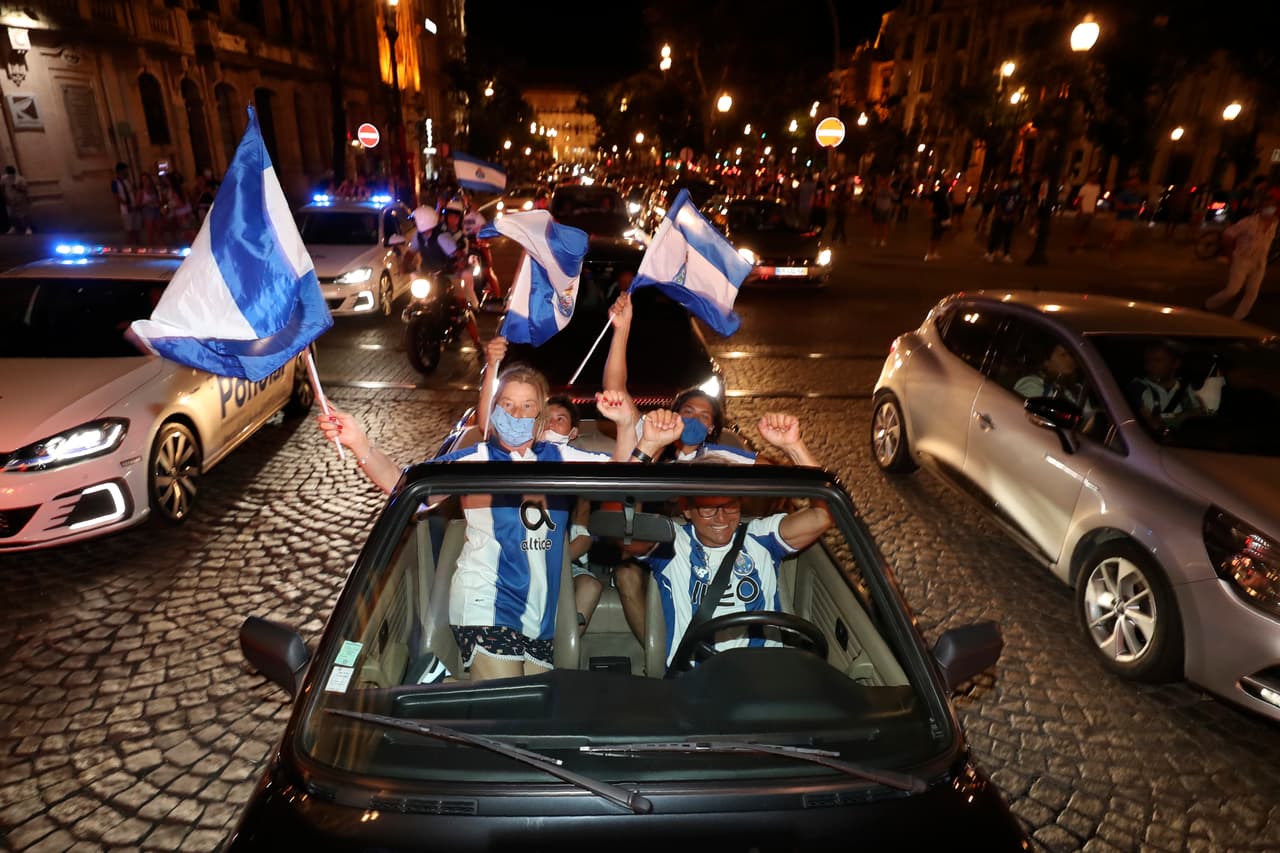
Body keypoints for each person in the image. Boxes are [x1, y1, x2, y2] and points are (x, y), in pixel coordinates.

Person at [318, 356, 683, 681]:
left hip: (539, 616)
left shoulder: (559, 457)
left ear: (540, 416)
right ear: (493, 410)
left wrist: (638, 437)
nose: (517, 415)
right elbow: (409, 490)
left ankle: (445, 690)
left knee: (525, 716)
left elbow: (617, 482)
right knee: (512, 709)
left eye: (528, 406)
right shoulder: (475, 459)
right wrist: (361, 445)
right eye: (507, 404)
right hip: (484, 603)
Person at [644, 415, 831, 668]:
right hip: (696, 680)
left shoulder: (761, 536)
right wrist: (646, 445)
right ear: (686, 509)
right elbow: (617, 522)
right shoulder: (671, 543)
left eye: (730, 505)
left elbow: (824, 515)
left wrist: (794, 447)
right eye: (708, 508)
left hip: (766, 675)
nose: (721, 517)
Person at [1204, 203, 1279, 320]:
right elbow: (1228, 235)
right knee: (1232, 290)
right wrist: (1230, 256)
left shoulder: (1274, 223)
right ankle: (1208, 305)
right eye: (1268, 207)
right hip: (1242, 260)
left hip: (1259, 262)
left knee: (1252, 292)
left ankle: (1239, 318)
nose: (1271, 210)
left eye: (1273, 208)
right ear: (1260, 208)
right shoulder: (1248, 222)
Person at [1127, 341, 1203, 432]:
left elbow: (1200, 414)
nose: (1151, 366)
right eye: (1148, 360)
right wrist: (1184, 415)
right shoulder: (1138, 387)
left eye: (1158, 360)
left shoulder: (1186, 387)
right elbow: (1153, 424)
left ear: (1176, 364)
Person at [1014, 342, 1084, 404]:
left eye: (1071, 356)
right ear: (1046, 363)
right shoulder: (1031, 384)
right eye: (1063, 355)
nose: (1070, 359)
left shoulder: (1079, 392)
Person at [986, 178, 1022, 263]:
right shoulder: (1002, 193)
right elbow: (998, 205)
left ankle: (1006, 254)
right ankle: (990, 252)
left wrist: (1012, 216)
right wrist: (1002, 215)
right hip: (1000, 217)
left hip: (1009, 218)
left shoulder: (1017, 195)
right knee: (995, 235)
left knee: (1007, 237)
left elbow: (1017, 206)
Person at [1107, 175, 1143, 250]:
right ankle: (1112, 254)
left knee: (1123, 240)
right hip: (1121, 218)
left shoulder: (1137, 195)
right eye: (1134, 181)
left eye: (1138, 181)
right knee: (1118, 239)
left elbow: (1137, 206)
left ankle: (1114, 254)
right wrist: (1131, 207)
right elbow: (1117, 206)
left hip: (1130, 218)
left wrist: (1137, 210)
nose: (1136, 183)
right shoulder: (1123, 193)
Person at [111, 162, 141, 244]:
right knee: (129, 230)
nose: (127, 172)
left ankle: (138, 246)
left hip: (134, 207)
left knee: (136, 229)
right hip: (126, 209)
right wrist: (126, 204)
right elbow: (116, 196)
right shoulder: (115, 182)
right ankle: (130, 247)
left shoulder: (128, 181)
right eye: (125, 170)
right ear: (120, 171)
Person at [1071, 172, 1102, 251]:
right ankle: (1075, 243)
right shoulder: (1084, 187)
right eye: (1093, 177)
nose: (1094, 179)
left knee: (1086, 228)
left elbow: (1096, 199)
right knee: (1078, 228)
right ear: (1089, 178)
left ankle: (1082, 243)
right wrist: (1080, 209)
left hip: (1091, 210)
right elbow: (1080, 199)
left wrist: (1096, 208)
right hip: (1084, 210)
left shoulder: (1097, 187)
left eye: (1095, 177)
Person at [925, 177, 951, 262]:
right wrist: (930, 212)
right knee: (935, 235)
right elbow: (928, 201)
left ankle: (934, 252)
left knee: (939, 235)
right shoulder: (938, 192)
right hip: (937, 216)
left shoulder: (945, 193)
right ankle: (929, 253)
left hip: (944, 216)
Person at [2, 166, 32, 234]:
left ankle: (28, 228)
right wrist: (5, 197)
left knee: (23, 214)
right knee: (11, 215)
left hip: (20, 199)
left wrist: (17, 187)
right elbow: (2, 187)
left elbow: (25, 189)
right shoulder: (4, 178)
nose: (9, 175)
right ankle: (14, 227)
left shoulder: (20, 179)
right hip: (9, 199)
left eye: (10, 173)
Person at [138, 172, 163, 245]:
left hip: (156, 209)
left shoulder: (154, 189)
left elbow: (160, 200)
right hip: (148, 210)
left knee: (159, 230)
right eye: (143, 179)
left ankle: (161, 246)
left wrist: (158, 202)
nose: (145, 181)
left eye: (147, 179)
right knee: (150, 232)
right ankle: (151, 247)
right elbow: (138, 204)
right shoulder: (141, 191)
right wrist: (146, 203)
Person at [870, 176, 892, 247]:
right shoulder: (878, 189)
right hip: (878, 208)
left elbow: (891, 194)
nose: (884, 182)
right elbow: (874, 195)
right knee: (876, 225)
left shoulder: (889, 189)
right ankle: (874, 239)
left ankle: (884, 240)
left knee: (884, 225)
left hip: (886, 209)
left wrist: (887, 186)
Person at [830, 179, 850, 244]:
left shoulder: (839, 193)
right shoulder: (843, 194)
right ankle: (841, 238)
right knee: (840, 224)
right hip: (841, 210)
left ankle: (837, 237)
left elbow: (834, 201)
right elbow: (847, 200)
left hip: (839, 209)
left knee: (839, 224)